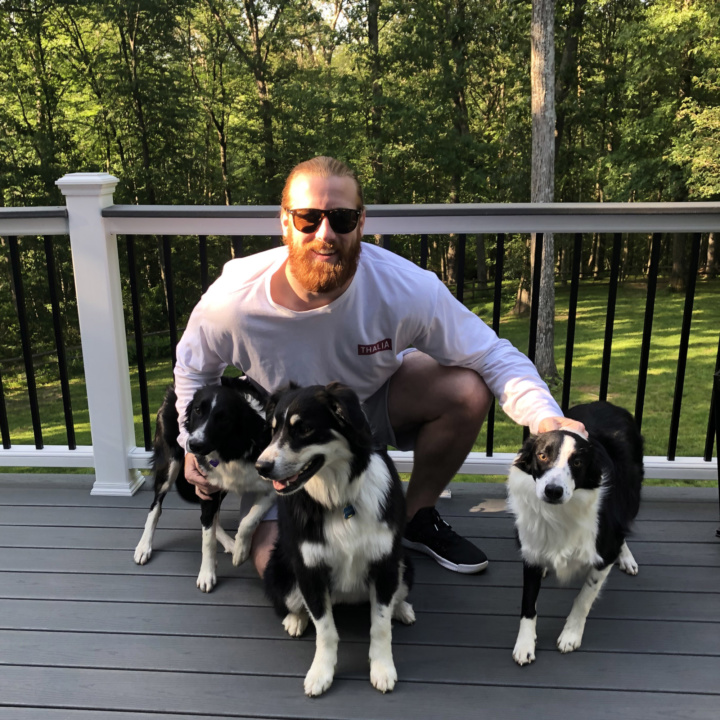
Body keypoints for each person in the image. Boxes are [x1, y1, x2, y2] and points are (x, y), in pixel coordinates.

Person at [174, 156, 585, 577]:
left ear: (361, 222)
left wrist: (545, 417)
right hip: (283, 431)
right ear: (284, 222)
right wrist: (190, 443)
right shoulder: (232, 301)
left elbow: (490, 353)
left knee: (467, 389)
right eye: (308, 218)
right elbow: (194, 370)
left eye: (341, 218)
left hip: (369, 405)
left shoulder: (404, 287)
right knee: (286, 574)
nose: (325, 234)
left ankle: (414, 517)